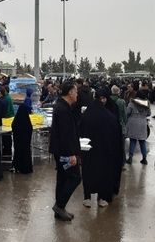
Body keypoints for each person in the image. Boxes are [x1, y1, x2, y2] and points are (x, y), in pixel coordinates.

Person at [79, 88, 119, 208]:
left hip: (89, 151)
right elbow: (115, 135)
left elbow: (80, 131)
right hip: (105, 152)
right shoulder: (110, 117)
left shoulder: (87, 115)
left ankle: (87, 198)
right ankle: (103, 198)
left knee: (88, 174)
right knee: (104, 174)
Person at [49, 81, 82, 222]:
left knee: (62, 178)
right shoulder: (63, 109)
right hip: (65, 153)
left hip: (62, 151)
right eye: (75, 91)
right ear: (69, 92)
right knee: (75, 178)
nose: (77, 94)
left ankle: (60, 209)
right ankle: (59, 206)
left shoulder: (64, 106)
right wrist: (72, 155)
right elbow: (65, 135)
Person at [125, 90, 151, 165]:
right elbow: (149, 113)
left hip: (133, 122)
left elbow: (127, 112)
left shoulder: (132, 102)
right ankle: (144, 158)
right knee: (142, 141)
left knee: (132, 140)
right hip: (143, 123)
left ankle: (130, 157)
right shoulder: (147, 103)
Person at [11, 101, 33, 174]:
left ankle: (18, 167)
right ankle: (27, 168)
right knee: (26, 153)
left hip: (18, 143)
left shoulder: (17, 120)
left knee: (18, 152)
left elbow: (13, 126)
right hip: (26, 144)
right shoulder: (27, 121)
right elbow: (30, 129)